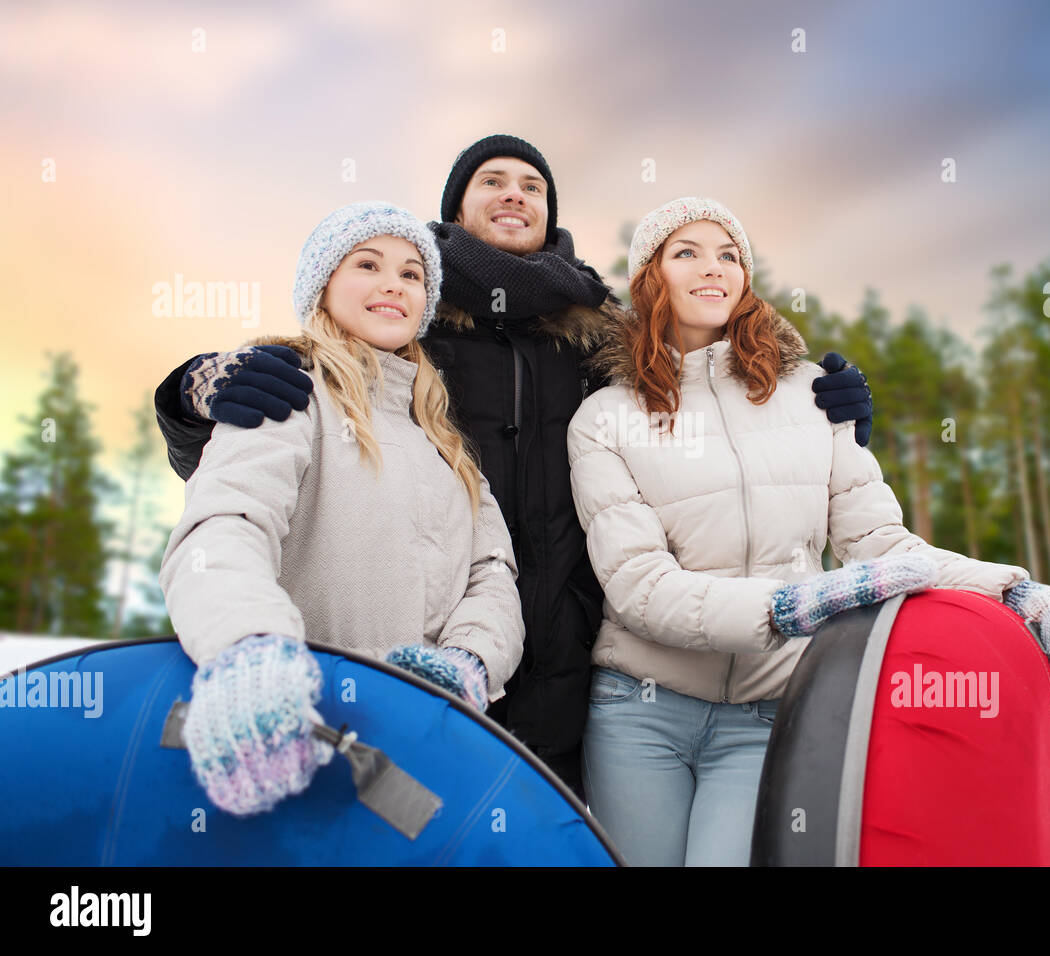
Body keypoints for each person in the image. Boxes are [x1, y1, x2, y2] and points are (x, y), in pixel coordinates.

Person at [150, 135, 873, 801]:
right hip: (404, 653)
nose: (514, 194)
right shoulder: (407, 326)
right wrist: (192, 394)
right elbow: (241, 494)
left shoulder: (599, 334)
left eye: (532, 185)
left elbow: (700, 374)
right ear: (454, 210)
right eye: (491, 180)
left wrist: (808, 394)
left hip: (569, 651)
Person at [567, 197, 1050, 866]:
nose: (714, 268)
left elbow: (881, 546)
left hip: (767, 713)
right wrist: (785, 607)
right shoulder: (603, 418)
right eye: (687, 252)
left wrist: (1013, 592)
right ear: (651, 277)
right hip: (638, 713)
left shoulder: (812, 396)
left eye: (729, 254)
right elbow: (639, 585)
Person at [159, 201, 525, 816]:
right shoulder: (286, 392)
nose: (393, 284)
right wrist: (247, 648)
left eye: (412, 274)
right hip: (287, 730)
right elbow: (224, 526)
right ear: (323, 287)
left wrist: (467, 662)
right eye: (368, 264)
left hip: (408, 758)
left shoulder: (448, 446)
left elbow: (493, 575)